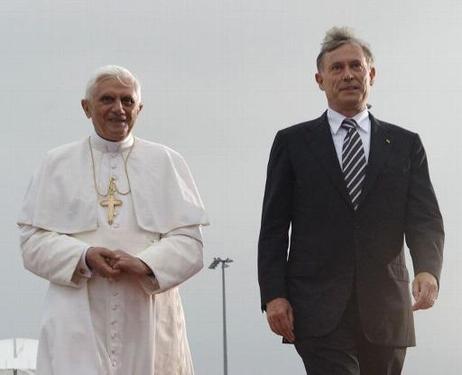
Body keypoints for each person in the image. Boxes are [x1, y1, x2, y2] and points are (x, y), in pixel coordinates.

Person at [257, 27, 444, 374]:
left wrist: (428, 270)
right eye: (337, 68)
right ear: (320, 79)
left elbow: (425, 219)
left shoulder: (406, 145)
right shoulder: (293, 143)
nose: (348, 75)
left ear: (371, 74)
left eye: (356, 66)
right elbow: (273, 227)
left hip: (386, 307)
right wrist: (273, 294)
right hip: (316, 307)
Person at [18, 65, 208, 375]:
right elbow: (32, 244)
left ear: (139, 108)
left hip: (148, 311)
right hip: (77, 311)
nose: (118, 109)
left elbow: (191, 245)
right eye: (107, 99)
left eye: (127, 101)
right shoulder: (56, 163)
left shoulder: (166, 162)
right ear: (86, 107)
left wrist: (145, 263)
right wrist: (83, 256)